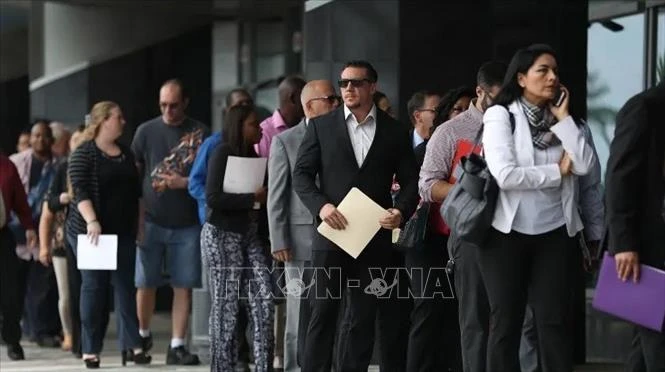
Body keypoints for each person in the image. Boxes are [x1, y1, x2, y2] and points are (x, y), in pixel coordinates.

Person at [293, 60, 419, 371]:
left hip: (373, 238)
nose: (348, 88)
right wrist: (322, 207)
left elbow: (412, 181)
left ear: (372, 87)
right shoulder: (322, 127)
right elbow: (301, 176)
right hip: (331, 234)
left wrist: (400, 210)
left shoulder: (395, 131)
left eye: (356, 82)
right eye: (344, 83)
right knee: (322, 314)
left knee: (363, 317)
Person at [480, 44, 595, 372]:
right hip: (506, 235)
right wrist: (556, 172)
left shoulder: (566, 122)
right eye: (542, 70)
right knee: (506, 325)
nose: (552, 77)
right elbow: (505, 174)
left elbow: (584, 165)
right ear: (520, 77)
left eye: (555, 71)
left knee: (554, 325)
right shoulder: (500, 115)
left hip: (556, 234)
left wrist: (563, 119)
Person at [418, 61, 506, 372]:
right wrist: (469, 193)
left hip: (513, 233)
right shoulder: (452, 131)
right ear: (479, 93)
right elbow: (427, 185)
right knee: (475, 322)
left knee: (511, 322)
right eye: (497, 97)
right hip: (470, 236)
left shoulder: (518, 125)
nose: (504, 104)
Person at [66, 101, 150, 368]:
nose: (123, 122)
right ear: (103, 121)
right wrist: (92, 220)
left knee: (126, 288)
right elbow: (80, 191)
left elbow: (136, 194)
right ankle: (90, 349)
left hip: (123, 231)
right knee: (94, 288)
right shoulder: (84, 153)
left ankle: (133, 346)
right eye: (118, 117)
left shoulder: (125, 154)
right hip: (94, 234)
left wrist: (139, 225)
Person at [132, 79, 209, 365]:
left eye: (174, 105)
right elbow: (134, 176)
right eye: (163, 105)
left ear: (185, 102)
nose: (168, 110)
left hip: (186, 222)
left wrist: (183, 182)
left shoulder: (199, 132)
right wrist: (136, 218)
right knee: (145, 282)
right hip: (150, 219)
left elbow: (208, 177)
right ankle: (142, 334)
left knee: (183, 284)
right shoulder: (145, 132)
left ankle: (177, 344)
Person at [267, 80, 339, 372]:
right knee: (298, 312)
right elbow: (277, 195)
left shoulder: (341, 136)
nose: (336, 103)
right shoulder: (286, 140)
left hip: (336, 234)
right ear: (310, 105)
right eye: (330, 99)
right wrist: (278, 239)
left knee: (330, 308)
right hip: (298, 241)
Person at [202, 105, 274, 372]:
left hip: (251, 235)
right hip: (222, 235)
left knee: (264, 299)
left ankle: (263, 364)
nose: (259, 129)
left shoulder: (255, 156)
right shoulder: (222, 151)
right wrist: (252, 198)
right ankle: (222, 367)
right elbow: (213, 197)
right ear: (239, 126)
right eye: (253, 124)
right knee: (226, 305)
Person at [605, 81, 665, 372]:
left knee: (645, 346)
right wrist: (624, 244)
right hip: (646, 249)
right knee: (657, 341)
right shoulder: (644, 108)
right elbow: (619, 178)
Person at [9, 120, 62, 348]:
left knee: (42, 283)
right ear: (30, 139)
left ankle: (40, 330)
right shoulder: (16, 162)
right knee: (16, 283)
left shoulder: (58, 165)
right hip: (16, 228)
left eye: (44, 136)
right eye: (36, 136)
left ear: (51, 139)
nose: (40, 140)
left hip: (46, 230)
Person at [37, 125, 86, 353]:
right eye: (75, 141)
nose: (79, 145)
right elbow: (48, 210)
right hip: (61, 241)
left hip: (90, 240)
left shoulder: (93, 168)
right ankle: (69, 333)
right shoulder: (61, 170)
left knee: (90, 290)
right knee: (65, 294)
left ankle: (87, 334)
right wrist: (44, 246)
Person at [0, 153, 37, 360]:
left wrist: (29, 226)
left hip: (2, 235)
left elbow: (20, 200)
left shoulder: (6, 166)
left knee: (10, 292)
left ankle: (12, 340)